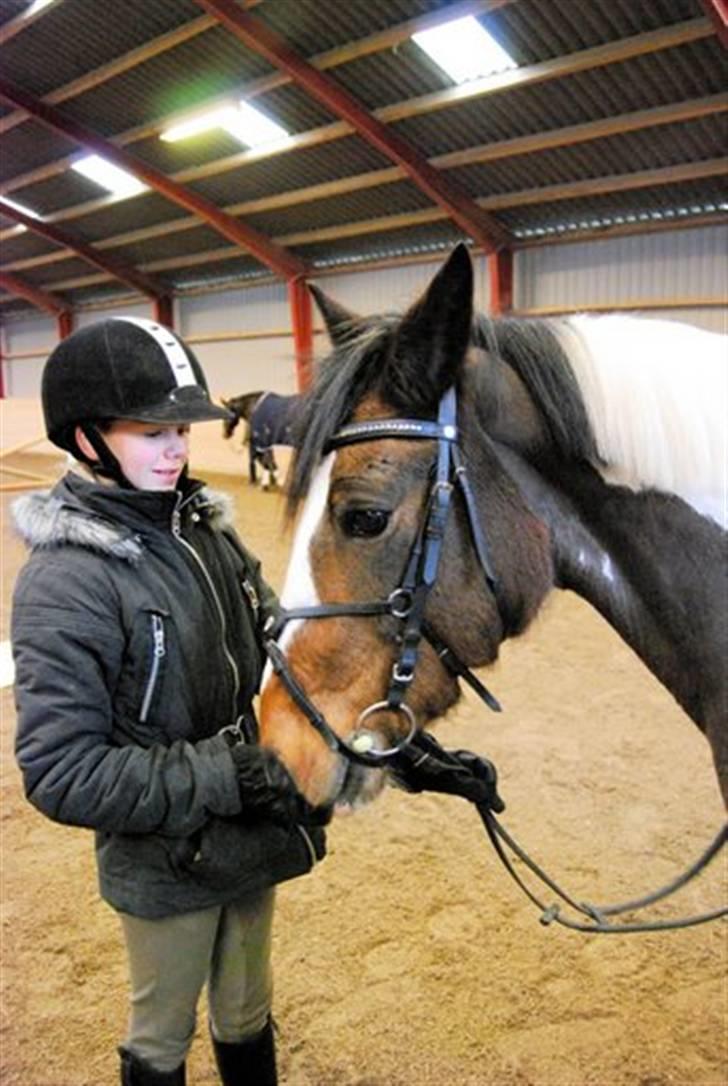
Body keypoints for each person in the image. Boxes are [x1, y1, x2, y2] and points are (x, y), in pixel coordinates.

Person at [11, 316, 326, 1086]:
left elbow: (279, 642)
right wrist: (228, 776)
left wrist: (394, 738)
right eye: (153, 431)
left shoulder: (205, 530)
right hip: (165, 855)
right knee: (163, 1034)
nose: (179, 449)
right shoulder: (65, 582)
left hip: (248, 836)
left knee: (248, 1009)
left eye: (181, 429)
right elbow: (61, 773)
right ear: (86, 439)